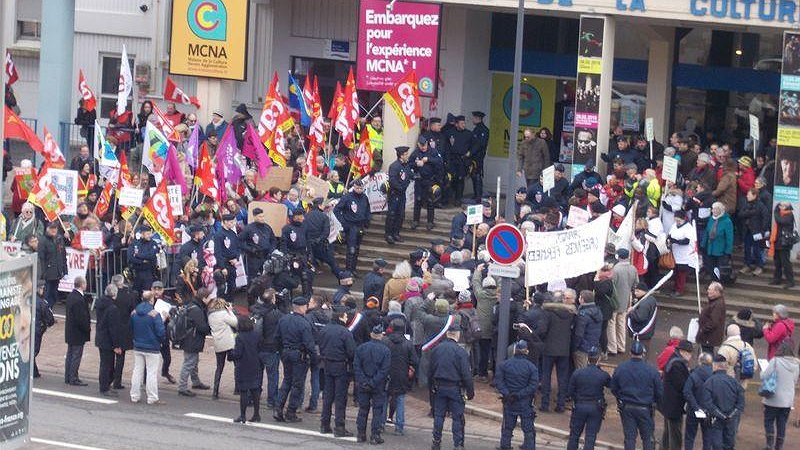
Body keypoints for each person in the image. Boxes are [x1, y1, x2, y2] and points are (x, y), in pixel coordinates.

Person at [428, 326, 474, 450]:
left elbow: (430, 371)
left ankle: (436, 441)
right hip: (455, 388)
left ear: (447, 334)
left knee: (439, 416)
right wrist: (470, 392)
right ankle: (457, 444)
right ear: (457, 334)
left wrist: (430, 389)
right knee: (457, 418)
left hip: (439, 387)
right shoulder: (460, 352)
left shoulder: (436, 349)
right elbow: (466, 374)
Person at [610, 341, 663, 450]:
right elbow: (659, 392)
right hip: (645, 408)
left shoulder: (621, 368)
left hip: (627, 407)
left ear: (630, 353)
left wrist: (621, 397)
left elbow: (614, 388)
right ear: (643, 354)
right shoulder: (651, 370)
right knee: (647, 438)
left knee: (630, 438)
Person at [273, 296, 318, 423]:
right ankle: (291, 412)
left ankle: (278, 408)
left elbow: (277, 338)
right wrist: (314, 358)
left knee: (287, 380)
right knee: (297, 384)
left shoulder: (284, 319)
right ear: (302, 307)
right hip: (299, 356)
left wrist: (282, 352)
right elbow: (309, 344)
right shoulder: (304, 323)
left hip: (286, 353)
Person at [319, 304, 356, 437]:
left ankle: (324, 424)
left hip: (327, 364)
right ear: (341, 317)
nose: (347, 317)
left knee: (328, 396)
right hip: (340, 366)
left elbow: (321, 346)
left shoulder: (325, 330)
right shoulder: (345, 332)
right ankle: (339, 427)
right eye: (345, 315)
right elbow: (351, 352)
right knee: (340, 398)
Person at [494, 340, 539, 450]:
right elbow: (533, 385)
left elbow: (499, 381)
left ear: (515, 351)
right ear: (526, 351)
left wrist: (507, 393)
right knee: (528, 428)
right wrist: (519, 395)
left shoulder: (504, 365)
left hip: (509, 401)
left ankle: (505, 446)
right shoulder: (531, 367)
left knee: (508, 426)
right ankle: (529, 446)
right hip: (525, 402)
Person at [353, 324, 392, 444]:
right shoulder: (385, 351)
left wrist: (364, 381)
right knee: (377, 411)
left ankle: (361, 434)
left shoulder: (361, 348)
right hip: (378, 385)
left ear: (371, 335)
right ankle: (375, 435)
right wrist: (373, 382)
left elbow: (357, 366)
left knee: (363, 409)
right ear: (381, 336)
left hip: (363, 384)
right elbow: (384, 370)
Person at [566, 347, 610, 450]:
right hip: (596, 407)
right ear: (598, 359)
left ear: (587, 358)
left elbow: (569, 392)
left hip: (579, 406)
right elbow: (612, 385)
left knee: (574, 435)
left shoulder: (578, 373)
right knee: (590, 437)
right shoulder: (602, 375)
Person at [539, 290, 576, 413]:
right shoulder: (570, 313)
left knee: (546, 377)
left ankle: (545, 404)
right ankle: (560, 404)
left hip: (549, 348)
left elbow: (543, 330)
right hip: (564, 349)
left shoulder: (548, 313)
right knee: (562, 378)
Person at [129, 287, 166, 405]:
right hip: (152, 346)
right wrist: (160, 340)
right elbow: (160, 332)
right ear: (152, 300)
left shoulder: (134, 312)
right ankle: (152, 397)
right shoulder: (155, 314)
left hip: (138, 345)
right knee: (151, 373)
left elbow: (130, 328)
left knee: (137, 371)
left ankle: (134, 396)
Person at [760, 340, 799, 450]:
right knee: (782, 423)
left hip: (773, 398)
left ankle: (769, 445)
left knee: (769, 421)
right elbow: (795, 380)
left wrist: (762, 372)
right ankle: (779, 446)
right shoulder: (797, 364)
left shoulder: (775, 361)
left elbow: (764, 376)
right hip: (787, 400)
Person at [249, 288, 284, 408]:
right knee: (272, 375)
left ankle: (252, 398)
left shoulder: (255, 310)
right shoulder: (276, 314)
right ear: (273, 299)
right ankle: (272, 400)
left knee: (256, 374)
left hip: (256, 347)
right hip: (270, 348)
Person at [701, 354, 745, 450]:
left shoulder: (709, 382)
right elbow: (740, 404)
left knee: (717, 445)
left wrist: (721, 415)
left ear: (715, 366)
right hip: (731, 420)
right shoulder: (734, 383)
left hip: (716, 420)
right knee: (729, 445)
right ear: (725, 367)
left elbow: (707, 404)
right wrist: (730, 416)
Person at [383, 319, 418, 436]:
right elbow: (414, 361)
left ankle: (380, 424)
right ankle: (399, 427)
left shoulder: (385, 341)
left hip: (387, 374)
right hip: (402, 375)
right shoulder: (408, 344)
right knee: (400, 400)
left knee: (384, 399)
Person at [177, 288, 212, 397]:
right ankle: (182, 387)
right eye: (209, 298)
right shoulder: (196, 309)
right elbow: (202, 327)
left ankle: (196, 382)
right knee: (189, 363)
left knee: (194, 361)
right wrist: (209, 328)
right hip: (192, 340)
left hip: (189, 339)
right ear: (204, 298)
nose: (210, 300)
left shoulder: (193, 305)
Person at [660, 340, 693, 450]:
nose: (690, 356)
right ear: (683, 351)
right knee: (675, 436)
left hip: (668, 405)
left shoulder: (673, 361)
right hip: (674, 407)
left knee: (667, 434)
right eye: (689, 352)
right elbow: (682, 385)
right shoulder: (678, 365)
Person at [230, 316, 263, 423]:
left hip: (243, 366)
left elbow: (238, 353)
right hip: (255, 365)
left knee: (244, 391)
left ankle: (243, 415)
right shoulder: (256, 335)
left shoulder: (240, 337)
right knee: (255, 390)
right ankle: (256, 414)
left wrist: (231, 355)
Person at [335, 178, 371, 275]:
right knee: (351, 249)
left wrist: (367, 221)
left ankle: (353, 269)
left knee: (357, 248)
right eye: (357, 188)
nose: (359, 190)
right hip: (350, 225)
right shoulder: (347, 197)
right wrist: (343, 222)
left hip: (360, 225)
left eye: (361, 188)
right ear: (354, 187)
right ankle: (348, 270)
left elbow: (368, 210)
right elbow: (337, 210)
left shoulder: (364, 197)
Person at [411, 135, 444, 230]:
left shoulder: (433, 151)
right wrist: (416, 164)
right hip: (419, 180)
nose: (424, 147)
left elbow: (440, 161)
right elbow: (409, 164)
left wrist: (428, 160)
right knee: (418, 200)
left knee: (430, 201)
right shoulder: (415, 153)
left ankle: (430, 222)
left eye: (425, 145)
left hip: (430, 180)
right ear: (418, 145)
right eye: (421, 146)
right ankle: (415, 220)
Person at [208, 297, 238, 399]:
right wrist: (230, 312)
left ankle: (215, 392)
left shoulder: (210, 315)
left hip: (218, 343)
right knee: (236, 365)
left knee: (219, 367)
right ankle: (237, 388)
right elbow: (235, 322)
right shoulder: (224, 314)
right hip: (229, 343)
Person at [95, 284, 122, 396]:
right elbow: (113, 328)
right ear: (114, 294)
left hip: (101, 337)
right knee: (107, 365)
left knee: (104, 364)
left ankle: (104, 385)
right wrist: (116, 345)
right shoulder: (112, 308)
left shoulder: (100, 303)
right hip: (108, 340)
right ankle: (105, 387)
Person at [609, 248, 638, 355]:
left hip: (615, 299)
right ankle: (621, 346)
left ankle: (612, 347)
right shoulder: (633, 268)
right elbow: (636, 283)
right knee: (621, 322)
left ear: (618, 256)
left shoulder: (615, 269)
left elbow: (612, 285)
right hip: (627, 298)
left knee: (612, 323)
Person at [683, 352, 713, 450]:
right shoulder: (714, 376)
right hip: (708, 411)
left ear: (699, 361)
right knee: (707, 438)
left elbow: (687, 391)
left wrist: (696, 407)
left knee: (689, 437)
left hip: (693, 410)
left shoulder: (694, 374)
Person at [65, 276, 91, 387]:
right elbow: (81, 318)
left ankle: (68, 376)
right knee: (76, 355)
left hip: (70, 330)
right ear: (82, 284)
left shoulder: (71, 296)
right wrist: (87, 328)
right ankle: (73, 377)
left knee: (70, 354)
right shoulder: (79, 299)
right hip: (77, 332)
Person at [111, 275, 136, 390]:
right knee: (120, 357)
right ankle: (117, 381)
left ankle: (109, 378)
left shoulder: (110, 295)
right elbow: (133, 310)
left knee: (109, 357)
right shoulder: (128, 295)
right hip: (124, 328)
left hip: (111, 328)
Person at [305, 197, 340, 277]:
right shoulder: (324, 217)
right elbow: (326, 232)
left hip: (309, 244)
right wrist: (320, 239)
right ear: (319, 205)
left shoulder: (307, 216)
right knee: (332, 263)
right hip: (321, 245)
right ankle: (341, 277)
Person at [700, 202, 734, 283]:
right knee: (711, 267)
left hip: (721, 250)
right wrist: (703, 245)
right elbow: (707, 233)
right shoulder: (711, 219)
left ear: (720, 210)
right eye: (713, 209)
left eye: (715, 209)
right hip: (710, 248)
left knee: (719, 268)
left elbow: (729, 238)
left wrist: (728, 251)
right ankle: (713, 282)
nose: (713, 211)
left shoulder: (727, 221)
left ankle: (719, 283)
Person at [239, 207, 276, 280]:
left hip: (266, 255)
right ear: (255, 217)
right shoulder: (249, 228)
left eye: (263, 216)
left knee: (267, 278)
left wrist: (271, 250)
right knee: (252, 279)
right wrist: (250, 249)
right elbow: (240, 241)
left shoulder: (267, 227)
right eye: (260, 216)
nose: (262, 218)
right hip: (254, 257)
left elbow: (273, 240)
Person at [385, 146, 413, 244]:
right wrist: (400, 187)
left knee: (400, 215)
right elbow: (392, 180)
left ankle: (396, 233)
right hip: (394, 194)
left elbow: (409, 175)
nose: (407, 156)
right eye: (405, 154)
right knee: (392, 214)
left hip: (402, 194)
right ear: (401, 156)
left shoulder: (406, 166)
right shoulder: (394, 166)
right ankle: (389, 234)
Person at [717, 324, 757, 388]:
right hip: (743, 385)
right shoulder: (747, 346)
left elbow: (718, 369)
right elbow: (754, 366)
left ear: (727, 333)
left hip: (728, 384)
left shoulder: (724, 348)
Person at [39, 222, 68, 308]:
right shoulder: (43, 241)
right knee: (46, 296)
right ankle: (44, 315)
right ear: (47, 229)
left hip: (57, 272)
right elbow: (41, 258)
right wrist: (43, 274)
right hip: (48, 273)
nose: (53, 230)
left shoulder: (59, 239)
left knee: (54, 296)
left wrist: (65, 270)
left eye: (55, 228)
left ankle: (49, 314)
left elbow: (63, 256)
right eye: (51, 228)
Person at [573, 290, 603, 370]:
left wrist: (575, 347)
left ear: (582, 299)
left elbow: (579, 333)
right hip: (594, 345)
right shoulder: (598, 311)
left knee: (581, 370)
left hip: (582, 348)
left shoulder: (582, 314)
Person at [214, 213, 241, 296]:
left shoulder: (233, 234)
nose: (233, 224)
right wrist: (222, 267)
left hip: (232, 263)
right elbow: (218, 252)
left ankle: (230, 303)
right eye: (231, 222)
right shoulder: (219, 234)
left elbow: (238, 248)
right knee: (222, 287)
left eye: (234, 222)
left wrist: (236, 258)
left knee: (232, 286)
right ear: (225, 222)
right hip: (224, 263)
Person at [627, 282, 657, 355]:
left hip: (641, 333)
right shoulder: (649, 299)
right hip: (645, 333)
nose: (635, 293)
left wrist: (631, 312)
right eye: (635, 290)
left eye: (638, 291)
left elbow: (640, 317)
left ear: (644, 291)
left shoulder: (645, 303)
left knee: (640, 353)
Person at [696, 282, 727, 354]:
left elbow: (713, 322)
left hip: (709, 337)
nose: (708, 291)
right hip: (708, 336)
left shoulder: (718, 304)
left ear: (716, 291)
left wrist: (702, 329)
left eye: (710, 289)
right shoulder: (715, 302)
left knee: (707, 355)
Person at [770, 202, 796, 289]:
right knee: (777, 262)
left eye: (782, 205)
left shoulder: (789, 215)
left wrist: (775, 211)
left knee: (786, 263)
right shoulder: (780, 214)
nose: (780, 207)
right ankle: (777, 279)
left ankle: (790, 281)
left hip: (784, 243)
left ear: (787, 207)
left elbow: (780, 221)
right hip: (777, 241)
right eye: (780, 205)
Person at [127, 225, 159, 294]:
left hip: (149, 273)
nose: (149, 235)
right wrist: (142, 261)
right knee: (136, 294)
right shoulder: (135, 243)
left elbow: (151, 255)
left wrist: (138, 255)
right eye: (147, 234)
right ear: (142, 234)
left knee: (147, 293)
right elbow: (131, 258)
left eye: (150, 233)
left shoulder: (153, 243)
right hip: (137, 273)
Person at [33, 280, 55, 379]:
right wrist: (46, 325)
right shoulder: (42, 303)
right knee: (34, 351)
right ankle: (33, 371)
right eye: (42, 288)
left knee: (30, 351)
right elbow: (50, 318)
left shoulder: (28, 299)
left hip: (27, 329)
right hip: (37, 330)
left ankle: (34, 371)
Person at [469, 111, 489, 199]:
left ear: (478, 119)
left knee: (477, 175)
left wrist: (471, 152)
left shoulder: (483, 130)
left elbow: (480, 144)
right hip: (474, 156)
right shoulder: (476, 129)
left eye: (474, 118)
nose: (472, 120)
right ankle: (476, 194)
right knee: (473, 175)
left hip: (478, 156)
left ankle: (478, 195)